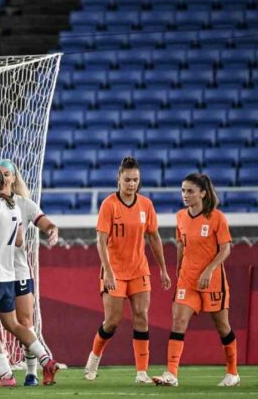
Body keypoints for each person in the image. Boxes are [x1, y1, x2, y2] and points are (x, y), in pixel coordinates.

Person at [84, 156, 171, 384]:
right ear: (119, 179)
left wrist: (162, 269)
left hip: (139, 270)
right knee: (112, 321)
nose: (132, 184)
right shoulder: (109, 205)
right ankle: (95, 357)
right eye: (127, 179)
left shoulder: (146, 205)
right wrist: (108, 271)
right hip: (115, 271)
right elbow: (101, 241)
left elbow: (154, 237)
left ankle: (141, 372)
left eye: (135, 180)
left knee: (141, 317)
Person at [0, 169, 60, 387]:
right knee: (14, 324)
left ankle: (5, 374)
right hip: (7, 275)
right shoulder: (13, 207)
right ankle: (46, 360)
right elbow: (20, 240)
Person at [153, 173, 239, 387]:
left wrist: (209, 270)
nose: (185, 195)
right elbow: (181, 243)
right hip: (188, 279)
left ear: (203, 193)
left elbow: (226, 248)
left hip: (212, 280)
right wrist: (179, 269)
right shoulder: (181, 216)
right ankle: (171, 374)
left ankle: (233, 373)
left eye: (190, 191)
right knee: (178, 321)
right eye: (183, 190)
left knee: (223, 326)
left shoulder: (217, 217)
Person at [0, 159, 59, 386]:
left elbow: (45, 223)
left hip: (19, 272)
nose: (3, 178)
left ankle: (31, 373)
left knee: (25, 321)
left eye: (7, 174)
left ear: (14, 178)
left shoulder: (24, 204)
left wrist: (52, 231)